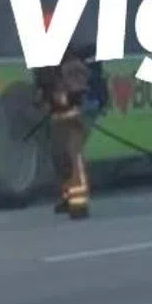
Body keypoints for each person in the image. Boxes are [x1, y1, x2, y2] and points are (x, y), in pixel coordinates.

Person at [32, 36, 105, 219]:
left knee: (72, 157)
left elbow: (79, 93)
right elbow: (42, 93)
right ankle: (67, 197)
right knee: (59, 158)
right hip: (59, 119)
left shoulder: (73, 68)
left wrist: (71, 100)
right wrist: (44, 100)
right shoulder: (46, 70)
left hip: (76, 119)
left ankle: (79, 204)